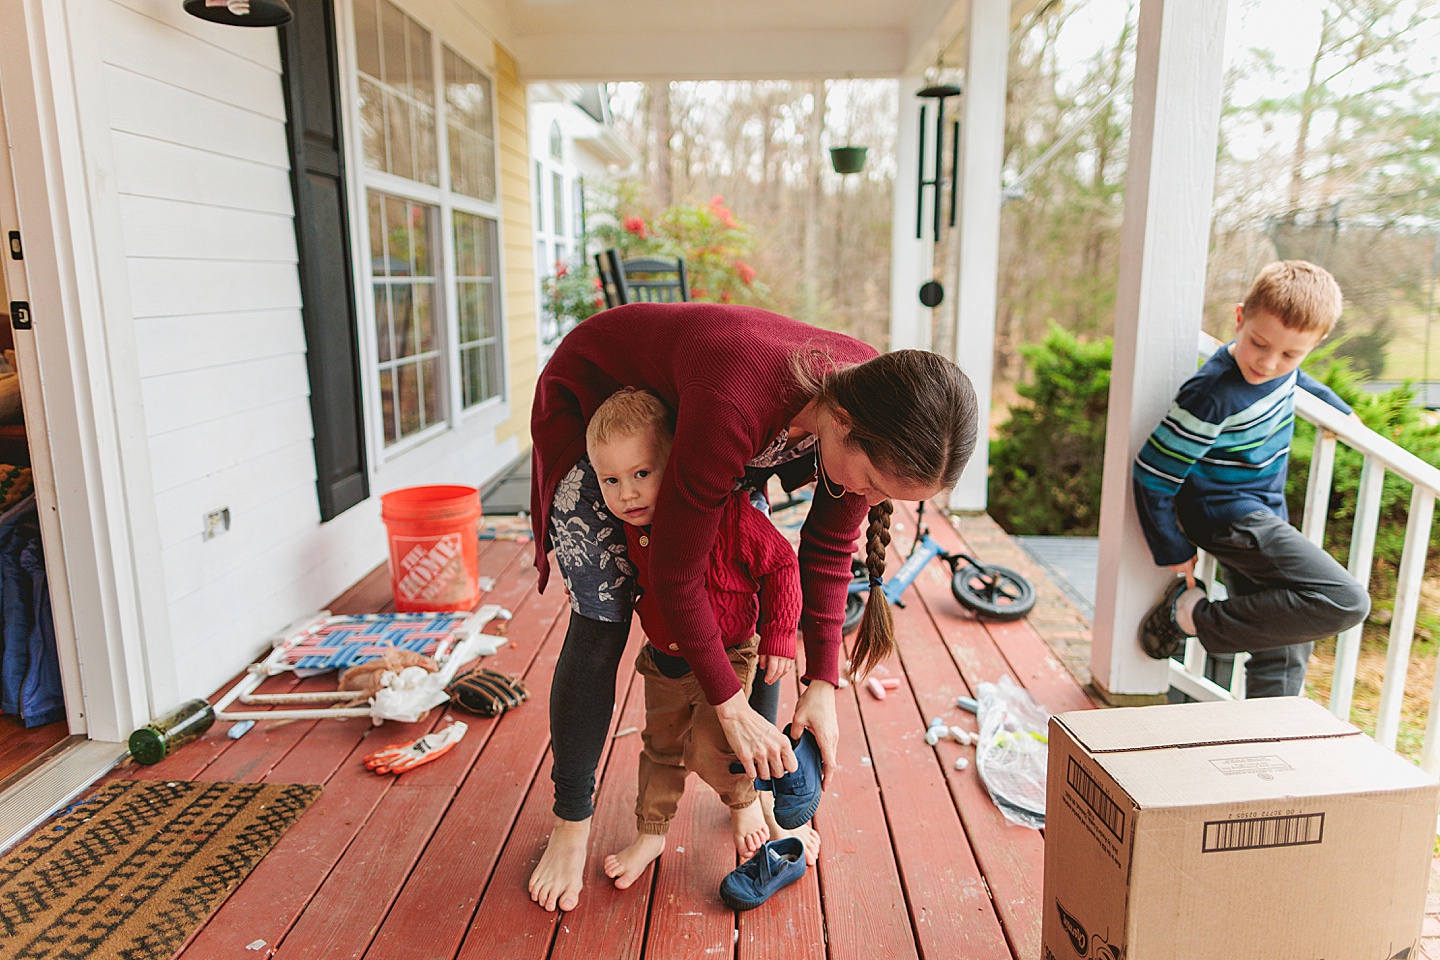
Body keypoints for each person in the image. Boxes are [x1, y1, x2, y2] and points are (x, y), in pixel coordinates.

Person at [527, 302, 978, 912]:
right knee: (601, 618)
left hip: (695, 422)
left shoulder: (875, 404)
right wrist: (729, 705)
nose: (869, 499)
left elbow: (825, 551)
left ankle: (755, 794)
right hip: (605, 415)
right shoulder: (736, 405)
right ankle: (570, 821)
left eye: (885, 496)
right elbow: (675, 575)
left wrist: (822, 684)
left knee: (757, 611)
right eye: (872, 482)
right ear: (841, 422)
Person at [584, 387, 800, 889]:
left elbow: (782, 563)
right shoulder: (631, 527)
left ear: (676, 464)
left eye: (642, 474)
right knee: (659, 748)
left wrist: (780, 633)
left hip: (729, 653)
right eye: (611, 480)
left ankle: (745, 803)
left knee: (712, 744)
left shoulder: (729, 516)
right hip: (663, 661)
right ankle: (651, 831)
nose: (627, 494)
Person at [1133, 260, 1370, 698]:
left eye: (1289, 354)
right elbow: (1153, 472)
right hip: (1225, 515)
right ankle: (1191, 617)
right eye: (1259, 343)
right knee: (1344, 599)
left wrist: (1341, 413)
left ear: (1313, 345)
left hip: (1261, 510)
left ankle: (1270, 734)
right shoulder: (1213, 394)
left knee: (1283, 642)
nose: (1268, 362)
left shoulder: (1278, 369)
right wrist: (1172, 547)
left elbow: (1296, 381)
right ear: (1240, 318)